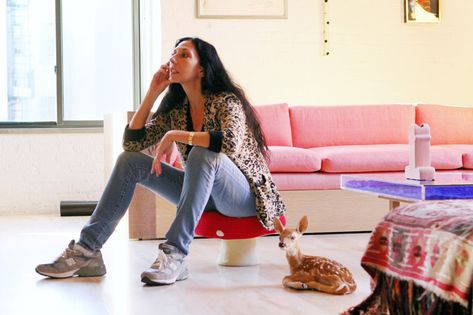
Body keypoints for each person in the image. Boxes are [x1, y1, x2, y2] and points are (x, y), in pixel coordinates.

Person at [36, 37, 287, 285]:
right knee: (129, 161)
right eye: (173, 53)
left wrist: (176, 135)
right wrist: (153, 92)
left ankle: (175, 255)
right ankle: (87, 251)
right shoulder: (177, 110)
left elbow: (230, 142)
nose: (173, 59)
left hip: (244, 197)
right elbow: (132, 144)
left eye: (184, 55)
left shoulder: (226, 101)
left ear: (201, 69)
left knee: (202, 153)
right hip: (202, 192)